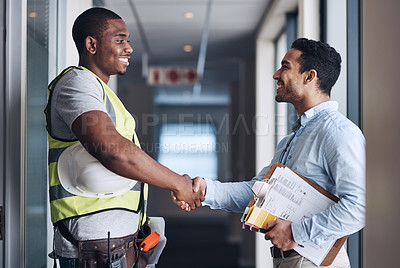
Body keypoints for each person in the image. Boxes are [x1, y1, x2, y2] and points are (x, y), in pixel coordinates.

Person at [175, 38, 365, 267]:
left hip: (312, 260)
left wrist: (296, 232)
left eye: (285, 67)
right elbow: (258, 192)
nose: (276, 74)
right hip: (289, 258)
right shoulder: (292, 139)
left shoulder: (338, 133)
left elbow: (359, 207)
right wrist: (205, 189)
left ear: (309, 76)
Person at [45, 7, 203, 267]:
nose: (128, 48)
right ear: (91, 45)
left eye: (128, 40)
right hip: (92, 249)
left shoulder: (102, 92)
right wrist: (178, 183)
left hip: (116, 246)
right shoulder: (77, 83)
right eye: (120, 39)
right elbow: (111, 150)